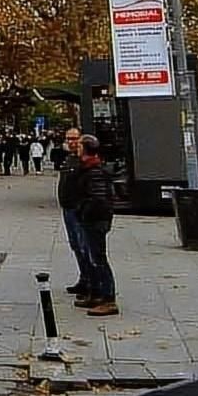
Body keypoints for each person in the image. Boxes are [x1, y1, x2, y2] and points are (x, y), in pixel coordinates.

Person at [75, 134, 118, 316]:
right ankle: (98, 294)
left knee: (98, 259)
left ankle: (109, 299)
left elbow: (97, 199)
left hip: (96, 221)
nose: (76, 149)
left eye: (78, 146)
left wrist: (84, 212)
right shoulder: (89, 168)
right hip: (93, 219)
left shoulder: (95, 171)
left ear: (85, 149)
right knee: (93, 257)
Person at [56, 128, 91, 297]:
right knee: (76, 246)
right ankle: (84, 279)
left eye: (74, 139)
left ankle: (91, 282)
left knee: (84, 246)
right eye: (68, 139)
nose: (71, 142)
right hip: (68, 208)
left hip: (79, 210)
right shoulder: (69, 159)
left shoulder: (83, 161)